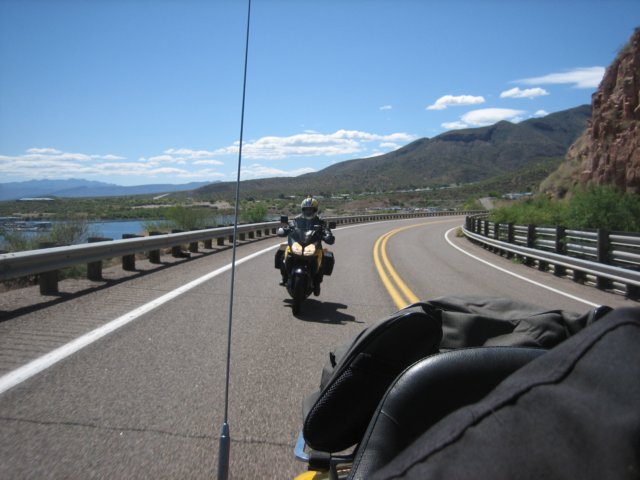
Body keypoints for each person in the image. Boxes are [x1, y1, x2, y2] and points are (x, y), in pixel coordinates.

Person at [280, 196, 335, 294]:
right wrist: (284, 230)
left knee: (324, 257)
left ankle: (317, 283)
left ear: (315, 210)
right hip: (299, 243)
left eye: (310, 209)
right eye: (306, 209)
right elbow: (290, 226)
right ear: (303, 210)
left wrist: (328, 235)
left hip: (313, 245)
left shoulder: (321, 222)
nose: (308, 212)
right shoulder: (296, 220)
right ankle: (284, 277)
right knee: (283, 251)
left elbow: (326, 230)